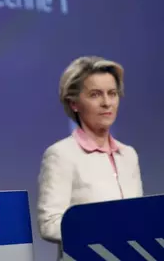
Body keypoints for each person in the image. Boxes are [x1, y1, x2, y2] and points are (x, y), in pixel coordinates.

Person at [37, 56, 143, 253]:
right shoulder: (61, 155)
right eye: (95, 95)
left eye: (112, 94)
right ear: (74, 103)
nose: (106, 103)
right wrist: (103, 231)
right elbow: (49, 224)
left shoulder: (128, 155)